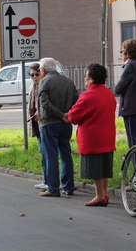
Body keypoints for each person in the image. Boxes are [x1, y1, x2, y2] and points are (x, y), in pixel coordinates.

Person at [67, 63, 116, 206]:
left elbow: (74, 117)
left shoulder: (87, 96)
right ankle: (105, 194)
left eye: (86, 75)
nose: (84, 77)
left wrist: (69, 113)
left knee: (95, 170)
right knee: (105, 168)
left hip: (92, 138)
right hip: (107, 136)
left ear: (91, 79)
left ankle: (99, 196)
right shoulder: (108, 93)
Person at [37, 58, 79, 197]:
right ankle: (68, 186)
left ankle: (53, 188)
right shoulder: (68, 81)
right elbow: (76, 100)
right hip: (66, 123)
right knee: (66, 154)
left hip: (50, 123)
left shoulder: (44, 81)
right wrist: (67, 114)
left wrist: (60, 115)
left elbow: (45, 103)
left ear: (43, 70)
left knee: (51, 155)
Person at [114, 39, 136, 179]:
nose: (122, 54)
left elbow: (118, 89)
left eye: (122, 51)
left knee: (135, 143)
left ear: (127, 53)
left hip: (132, 109)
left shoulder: (130, 66)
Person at [27, 63, 47, 189]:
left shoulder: (44, 86)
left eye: (36, 74)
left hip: (44, 123)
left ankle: (50, 180)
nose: (34, 77)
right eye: (32, 75)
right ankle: (46, 179)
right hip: (35, 123)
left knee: (47, 153)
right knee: (42, 151)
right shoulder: (31, 88)